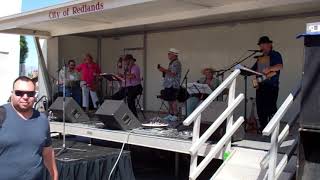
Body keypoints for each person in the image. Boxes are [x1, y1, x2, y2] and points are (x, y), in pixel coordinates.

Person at [0, 76, 58, 180]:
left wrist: (54, 176)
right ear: (12, 93)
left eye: (30, 94)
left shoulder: (42, 119)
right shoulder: (2, 114)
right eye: (19, 93)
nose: (25, 97)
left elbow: (47, 151)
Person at [251, 36, 283, 131]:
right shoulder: (260, 58)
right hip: (260, 86)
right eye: (260, 45)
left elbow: (280, 66)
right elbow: (254, 71)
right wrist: (245, 70)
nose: (261, 47)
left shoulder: (275, 54)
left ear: (269, 45)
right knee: (260, 109)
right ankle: (263, 128)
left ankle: (273, 129)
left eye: (263, 44)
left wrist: (269, 69)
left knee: (271, 108)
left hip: (271, 86)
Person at [157, 48, 182, 121]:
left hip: (173, 85)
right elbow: (169, 73)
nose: (168, 55)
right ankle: (171, 114)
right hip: (168, 84)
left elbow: (173, 74)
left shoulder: (176, 63)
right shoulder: (172, 62)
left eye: (169, 53)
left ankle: (175, 115)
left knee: (173, 100)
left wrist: (163, 70)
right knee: (169, 100)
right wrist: (164, 71)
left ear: (174, 54)